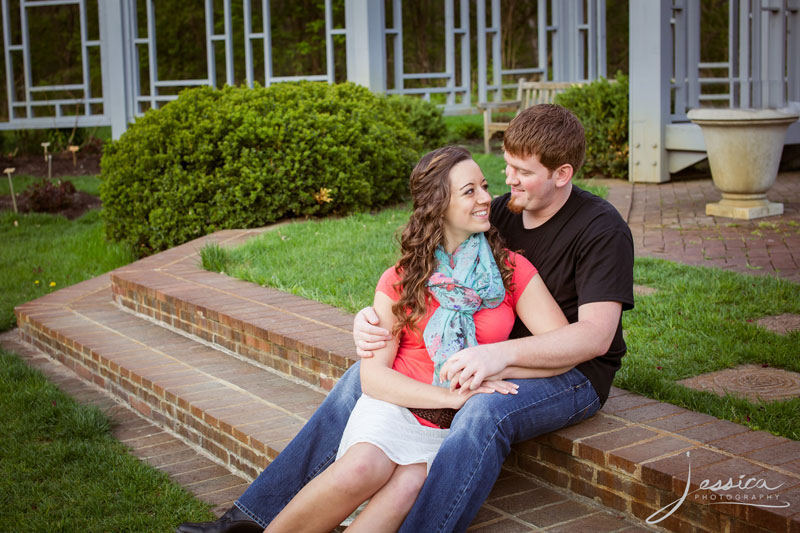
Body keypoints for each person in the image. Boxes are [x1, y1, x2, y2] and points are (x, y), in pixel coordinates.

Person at [176, 104, 634, 533]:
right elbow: (425, 272)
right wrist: (374, 322)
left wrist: (495, 358)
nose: (506, 180)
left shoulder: (600, 228)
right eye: (507, 167)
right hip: (480, 357)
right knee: (363, 375)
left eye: (523, 172)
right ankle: (248, 518)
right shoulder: (497, 213)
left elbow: (593, 337)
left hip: (573, 372)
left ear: (562, 174)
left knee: (483, 411)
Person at [257, 145, 568, 532]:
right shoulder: (402, 278)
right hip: (397, 405)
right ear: (438, 205)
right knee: (360, 468)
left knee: (406, 488)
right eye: (470, 191)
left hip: (452, 430)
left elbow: (562, 346)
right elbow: (373, 378)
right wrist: (451, 395)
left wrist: (497, 363)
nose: (487, 198)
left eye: (485, 186)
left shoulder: (510, 270)